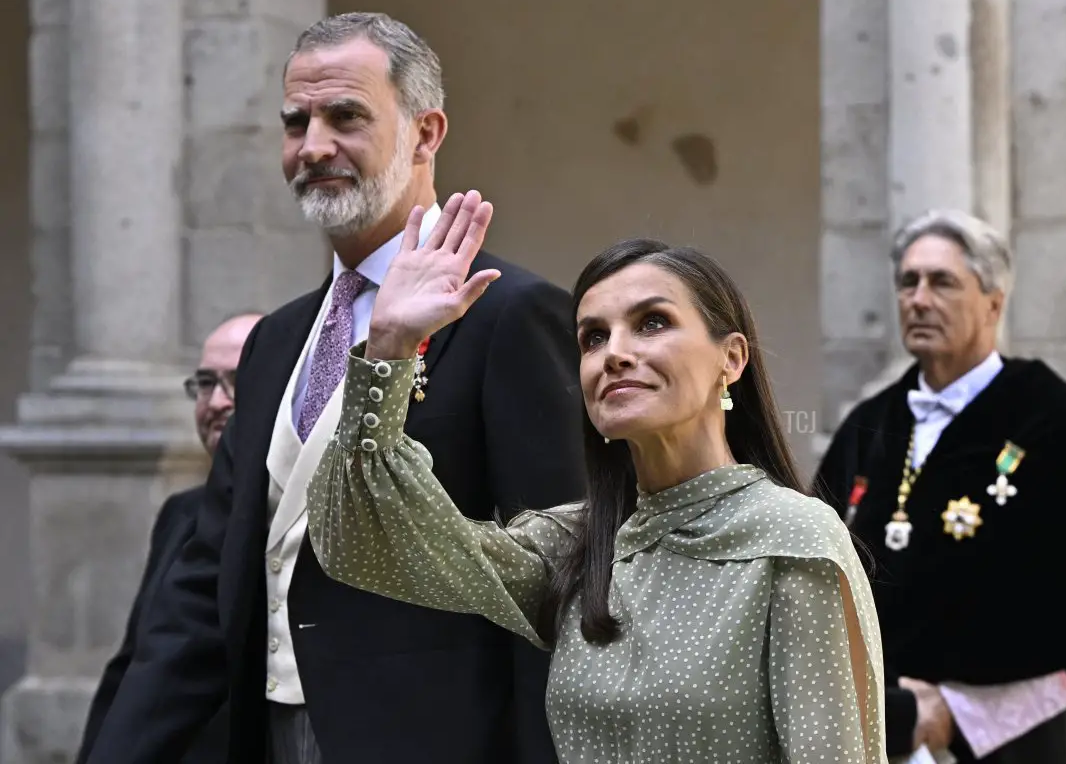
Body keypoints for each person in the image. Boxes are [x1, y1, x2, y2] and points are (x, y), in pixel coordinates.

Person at [84, 13, 583, 764]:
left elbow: (554, 581)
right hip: (272, 733)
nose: (313, 146)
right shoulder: (275, 341)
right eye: (296, 122)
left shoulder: (509, 316)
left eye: (345, 116)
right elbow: (204, 581)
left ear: (425, 133)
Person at [304, 197, 889, 763]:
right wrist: (389, 347)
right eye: (593, 337)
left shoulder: (794, 539)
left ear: (731, 359)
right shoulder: (574, 546)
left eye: (652, 323)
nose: (615, 353)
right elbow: (361, 540)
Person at [813, 209, 1066, 763]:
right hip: (884, 723)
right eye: (908, 282)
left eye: (942, 282)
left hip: (1013, 731)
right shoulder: (872, 421)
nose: (919, 298)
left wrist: (958, 710)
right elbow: (820, 570)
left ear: (993, 302)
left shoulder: (1049, 415)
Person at [75, 313, 261, 764]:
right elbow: (137, 662)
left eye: (237, 381)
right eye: (204, 383)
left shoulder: (299, 510)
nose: (217, 401)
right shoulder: (181, 514)